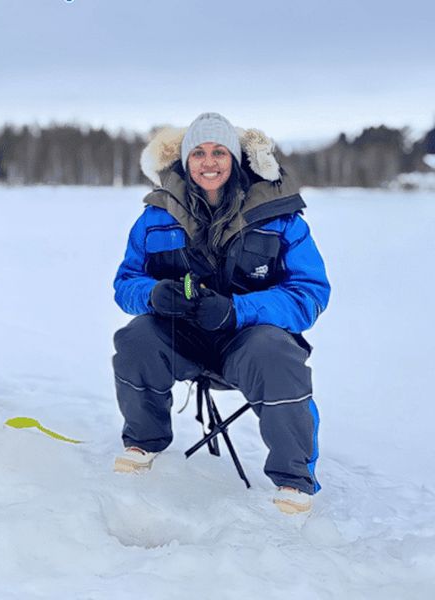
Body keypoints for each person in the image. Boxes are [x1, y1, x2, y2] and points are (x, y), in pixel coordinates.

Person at [111, 113, 330, 514]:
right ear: (184, 160)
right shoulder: (155, 217)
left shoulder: (280, 217)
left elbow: (310, 293)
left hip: (246, 341)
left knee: (277, 353)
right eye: (198, 152)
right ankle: (143, 441)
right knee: (136, 337)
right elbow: (126, 283)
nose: (208, 162)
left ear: (235, 159)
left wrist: (237, 311)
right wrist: (154, 294)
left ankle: (294, 480)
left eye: (218, 152)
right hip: (183, 339)